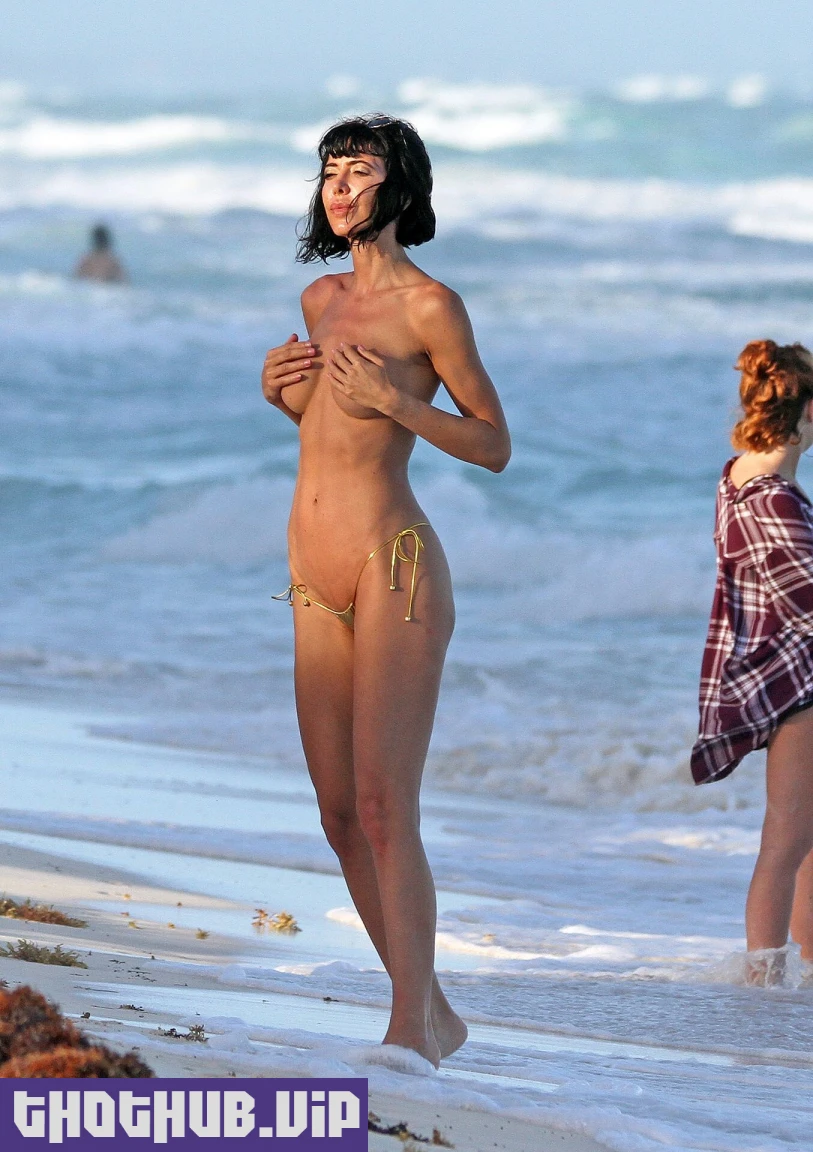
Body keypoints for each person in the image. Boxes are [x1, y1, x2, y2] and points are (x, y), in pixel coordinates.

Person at [261, 114, 510, 1064]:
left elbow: (492, 443)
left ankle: (411, 1029)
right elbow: (329, 434)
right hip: (310, 574)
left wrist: (402, 403)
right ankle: (432, 1008)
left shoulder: (432, 308)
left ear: (398, 188)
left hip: (393, 565)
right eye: (329, 171)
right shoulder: (320, 298)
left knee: (381, 807)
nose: (338, 187)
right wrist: (280, 394)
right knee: (336, 816)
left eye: (358, 171)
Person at [692, 340, 813, 983]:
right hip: (797, 678)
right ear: (808, 411)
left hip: (771, 671)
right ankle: (763, 980)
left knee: (801, 837)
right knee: (788, 838)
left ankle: (800, 970)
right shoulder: (774, 497)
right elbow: (806, 600)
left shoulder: (737, 477)